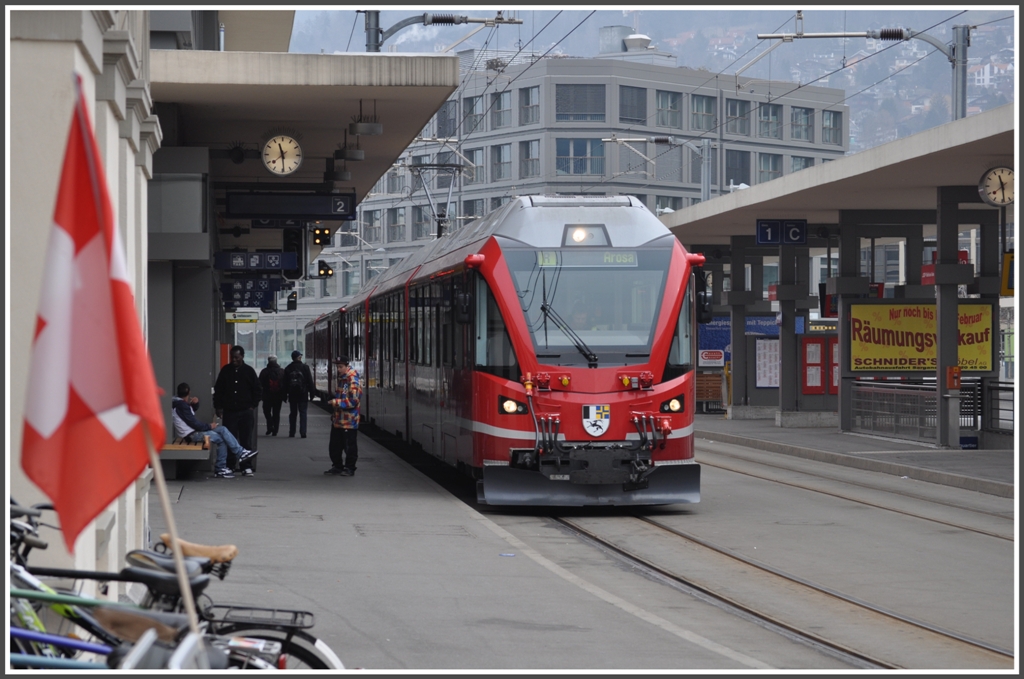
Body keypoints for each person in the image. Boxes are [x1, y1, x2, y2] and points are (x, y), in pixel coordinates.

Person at [172, 383, 257, 479]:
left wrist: (195, 405)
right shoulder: (182, 406)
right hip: (192, 435)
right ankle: (221, 468)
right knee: (221, 439)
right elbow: (194, 423)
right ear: (189, 392)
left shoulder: (179, 403)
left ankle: (240, 453)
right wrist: (209, 426)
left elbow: (188, 415)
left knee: (223, 429)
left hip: (192, 432)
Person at [213, 345, 262, 476]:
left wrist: (253, 404)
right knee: (230, 438)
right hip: (230, 411)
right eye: (232, 357)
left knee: (246, 439)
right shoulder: (225, 371)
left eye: (237, 357)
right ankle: (230, 465)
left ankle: (246, 466)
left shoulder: (249, 371)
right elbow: (219, 390)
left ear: (242, 357)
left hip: (246, 411)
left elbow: (257, 389)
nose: (234, 360)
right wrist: (218, 406)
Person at [325, 356, 361, 476]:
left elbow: (354, 400)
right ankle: (337, 466)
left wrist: (335, 402)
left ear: (347, 366)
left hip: (349, 420)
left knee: (349, 446)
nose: (338, 369)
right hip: (338, 419)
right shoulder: (342, 378)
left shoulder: (352, 379)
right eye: (337, 367)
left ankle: (350, 468)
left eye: (341, 367)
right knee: (334, 446)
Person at [284, 350, 315, 438]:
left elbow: (285, 383)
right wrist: (312, 393)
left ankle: (292, 432)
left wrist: (284, 395)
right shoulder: (305, 367)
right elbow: (309, 381)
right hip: (303, 394)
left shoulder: (288, 368)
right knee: (303, 413)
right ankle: (303, 432)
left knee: (293, 413)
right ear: (299, 357)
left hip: (292, 394)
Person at [259, 356, 286, 436]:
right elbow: (285, 384)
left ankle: (270, 426)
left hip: (267, 395)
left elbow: (259, 384)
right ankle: (275, 430)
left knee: (266, 411)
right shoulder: (282, 371)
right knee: (276, 413)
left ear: (268, 361)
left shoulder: (264, 371)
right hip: (278, 396)